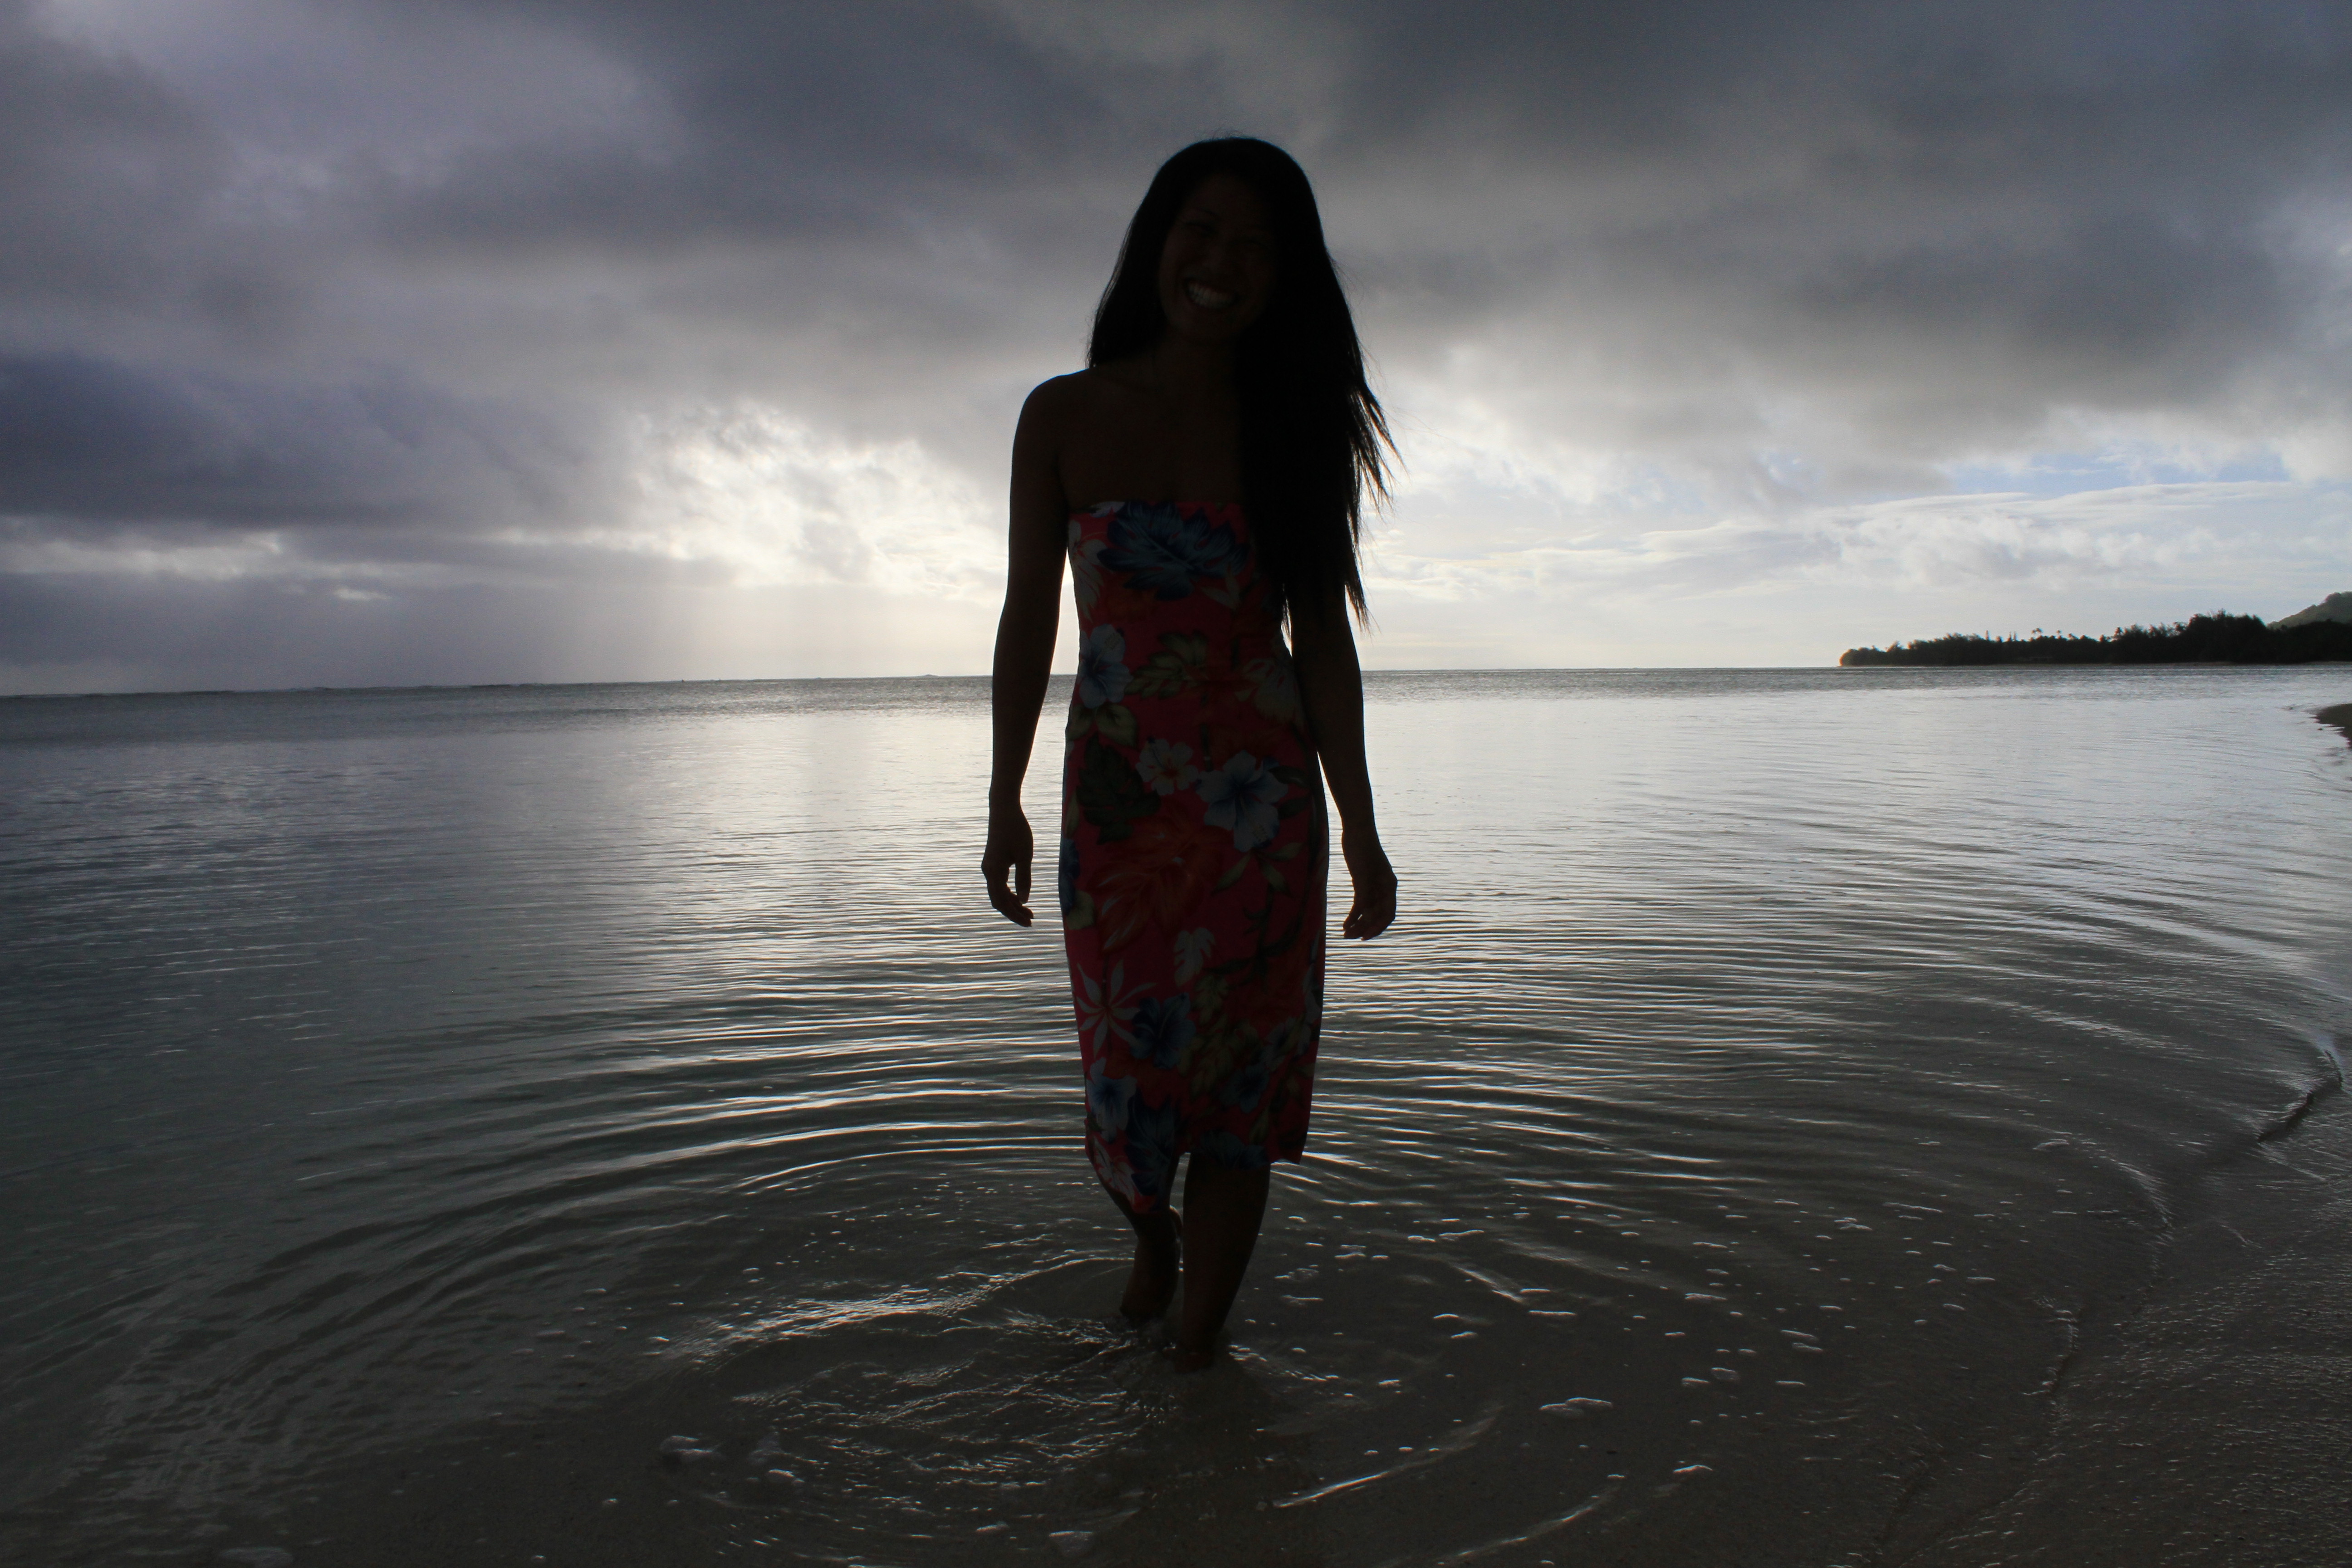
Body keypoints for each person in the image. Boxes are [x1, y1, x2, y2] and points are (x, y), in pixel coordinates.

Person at [982, 137, 1397, 1371]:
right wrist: (1001, 796)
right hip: (1119, 808)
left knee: (1239, 1096)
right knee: (1125, 1077)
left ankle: (1196, 1367)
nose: (1222, 264)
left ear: (1286, 277)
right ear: (1157, 241)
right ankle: (1151, 1241)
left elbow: (1322, 642)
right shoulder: (1064, 416)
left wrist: (1362, 827)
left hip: (1262, 814)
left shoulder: (1293, 430)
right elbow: (1028, 615)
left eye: (1256, 247)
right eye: (1202, 231)